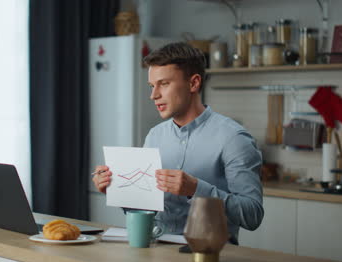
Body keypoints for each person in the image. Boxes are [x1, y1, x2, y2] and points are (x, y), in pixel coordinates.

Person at [92, 42, 263, 245]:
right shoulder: (154, 136)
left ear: (194, 83)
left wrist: (196, 189)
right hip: (155, 251)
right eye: (151, 86)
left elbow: (252, 215)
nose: (153, 95)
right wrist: (118, 189)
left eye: (163, 84)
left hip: (209, 255)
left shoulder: (233, 138)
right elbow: (145, 209)